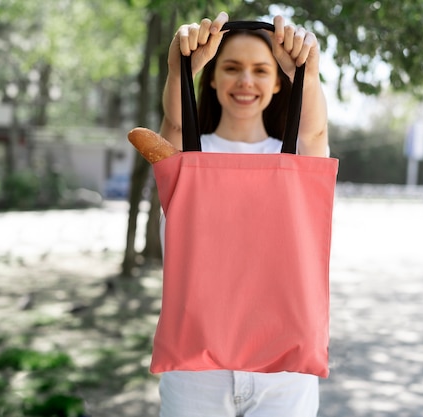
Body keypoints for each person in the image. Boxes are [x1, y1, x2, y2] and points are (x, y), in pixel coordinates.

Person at [157, 11, 329, 417]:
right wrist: (178, 68)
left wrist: (309, 74)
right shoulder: (185, 158)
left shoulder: (296, 164)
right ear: (212, 77)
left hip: (284, 373)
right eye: (231, 68)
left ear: (276, 81)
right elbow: (175, 125)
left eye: (260, 70)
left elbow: (314, 134)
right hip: (196, 370)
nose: (245, 80)